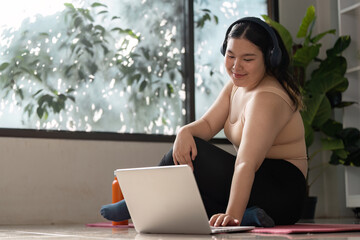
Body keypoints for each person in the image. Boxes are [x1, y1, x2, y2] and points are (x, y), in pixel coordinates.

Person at [100, 17, 308, 227]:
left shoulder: (267, 98)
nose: (236, 66)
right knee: (189, 186)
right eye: (231, 55)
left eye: (248, 59)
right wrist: (185, 131)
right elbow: (208, 125)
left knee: (196, 152)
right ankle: (251, 216)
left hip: (283, 194)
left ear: (269, 58)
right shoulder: (237, 85)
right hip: (256, 185)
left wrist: (232, 217)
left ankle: (140, 199)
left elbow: (246, 163)